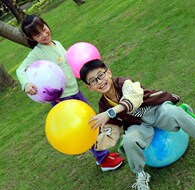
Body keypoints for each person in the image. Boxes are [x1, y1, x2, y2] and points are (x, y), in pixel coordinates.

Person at [79, 59, 195, 190]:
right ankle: (141, 174)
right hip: (138, 125)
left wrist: (111, 112)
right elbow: (112, 131)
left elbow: (133, 99)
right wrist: (94, 142)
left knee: (173, 112)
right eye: (93, 81)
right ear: (89, 87)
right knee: (128, 141)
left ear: (109, 72)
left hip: (155, 110)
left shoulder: (125, 83)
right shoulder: (103, 105)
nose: (99, 81)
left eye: (101, 75)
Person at [16, 15, 124, 172]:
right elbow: (20, 69)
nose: (44, 35)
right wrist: (26, 84)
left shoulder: (57, 44)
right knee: (86, 128)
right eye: (38, 34)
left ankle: (102, 154)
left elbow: (70, 63)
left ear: (46, 24)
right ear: (31, 38)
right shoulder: (37, 53)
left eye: (44, 29)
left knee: (92, 122)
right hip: (62, 99)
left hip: (75, 92)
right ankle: (103, 160)